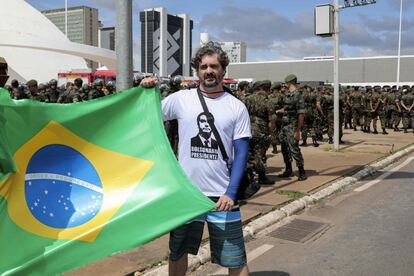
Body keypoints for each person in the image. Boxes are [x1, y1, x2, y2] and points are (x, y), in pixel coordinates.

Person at [141, 41, 250, 276]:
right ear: (197, 70)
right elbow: (147, 114)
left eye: (214, 66)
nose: (208, 71)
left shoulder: (236, 107)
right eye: (203, 66)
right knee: (178, 252)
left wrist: (231, 192)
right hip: (186, 195)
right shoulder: (181, 99)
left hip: (221, 197)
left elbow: (241, 153)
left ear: (223, 69)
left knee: (235, 258)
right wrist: (148, 90)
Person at [276, 74, 307, 181]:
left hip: (292, 126)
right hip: (284, 126)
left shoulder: (298, 95)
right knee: (284, 149)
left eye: (286, 83)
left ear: (290, 82)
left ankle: (301, 171)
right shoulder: (287, 94)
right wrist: (280, 111)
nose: (285, 85)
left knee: (294, 149)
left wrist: (298, 130)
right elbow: (286, 109)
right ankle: (288, 169)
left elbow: (301, 114)